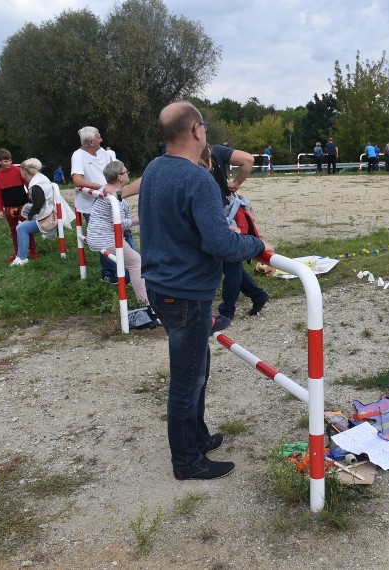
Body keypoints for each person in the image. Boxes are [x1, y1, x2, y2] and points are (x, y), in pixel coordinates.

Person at [140, 101, 273, 481]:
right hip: (186, 292)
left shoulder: (154, 169)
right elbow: (221, 245)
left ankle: (196, 438)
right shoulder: (196, 178)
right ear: (197, 130)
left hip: (163, 287)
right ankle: (186, 460)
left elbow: (185, 229)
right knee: (189, 377)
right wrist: (256, 244)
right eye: (206, 127)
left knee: (196, 367)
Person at [203, 143, 270, 331]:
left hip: (227, 216)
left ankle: (227, 311)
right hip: (228, 211)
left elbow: (249, 159)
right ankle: (257, 295)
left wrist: (236, 184)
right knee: (230, 263)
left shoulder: (200, 158)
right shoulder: (216, 151)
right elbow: (247, 160)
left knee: (231, 263)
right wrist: (236, 183)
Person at [86, 160, 148, 306]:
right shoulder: (113, 198)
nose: (128, 174)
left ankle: (142, 293)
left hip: (96, 235)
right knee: (136, 262)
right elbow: (118, 223)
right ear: (120, 177)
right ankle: (145, 301)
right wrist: (137, 219)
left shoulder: (106, 190)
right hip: (106, 239)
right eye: (126, 171)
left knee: (133, 260)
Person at [71, 126, 120, 284]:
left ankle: (117, 269)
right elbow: (77, 180)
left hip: (106, 198)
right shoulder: (78, 156)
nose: (102, 139)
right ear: (91, 142)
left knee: (114, 232)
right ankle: (109, 273)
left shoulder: (103, 153)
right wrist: (100, 187)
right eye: (99, 137)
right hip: (90, 203)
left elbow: (112, 170)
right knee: (102, 236)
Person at [0, 148, 37, 263]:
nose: (8, 164)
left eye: (9, 161)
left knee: (27, 228)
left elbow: (28, 184)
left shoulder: (18, 171)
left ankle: (32, 251)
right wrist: (0, 209)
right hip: (9, 208)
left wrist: (32, 199)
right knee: (14, 230)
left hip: (23, 205)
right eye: (5, 161)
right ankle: (17, 252)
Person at [11, 158, 57, 266]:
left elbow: (38, 204)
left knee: (21, 227)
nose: (20, 172)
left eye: (20, 170)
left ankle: (21, 258)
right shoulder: (40, 178)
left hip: (50, 217)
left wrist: (29, 217)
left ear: (25, 171)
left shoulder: (35, 184)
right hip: (51, 212)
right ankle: (21, 256)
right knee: (22, 226)